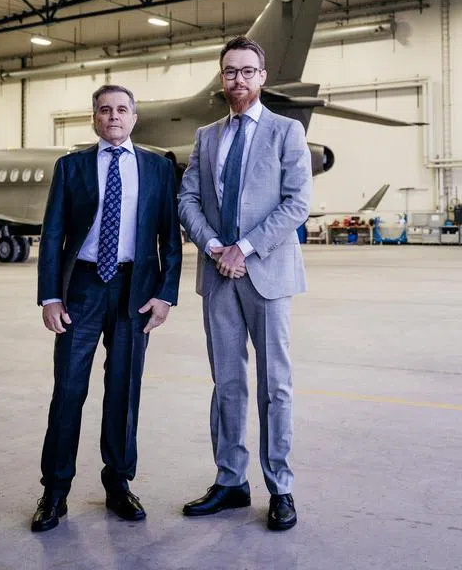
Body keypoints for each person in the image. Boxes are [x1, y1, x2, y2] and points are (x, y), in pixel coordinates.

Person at [31, 84, 182, 533]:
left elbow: (169, 239)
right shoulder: (71, 167)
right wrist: (50, 295)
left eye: (121, 109)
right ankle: (54, 492)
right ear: (93, 118)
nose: (113, 116)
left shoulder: (157, 168)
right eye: (104, 110)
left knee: (123, 391)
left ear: (134, 117)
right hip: (81, 288)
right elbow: (53, 233)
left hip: (135, 290)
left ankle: (118, 484)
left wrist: (165, 293)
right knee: (68, 391)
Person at [177, 35, 312, 532]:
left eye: (247, 71)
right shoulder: (207, 137)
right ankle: (231, 480)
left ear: (262, 77)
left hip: (267, 274)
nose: (238, 79)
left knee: (274, 384)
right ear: (221, 77)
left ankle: (280, 486)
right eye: (230, 71)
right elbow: (187, 198)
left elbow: (297, 203)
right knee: (227, 382)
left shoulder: (286, 133)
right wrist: (214, 246)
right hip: (218, 275)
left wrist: (246, 247)